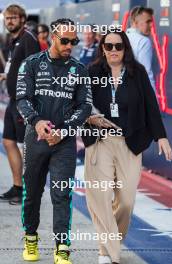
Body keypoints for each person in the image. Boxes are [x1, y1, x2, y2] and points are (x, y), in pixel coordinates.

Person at [83, 29, 172, 264]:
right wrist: (90, 117)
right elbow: (80, 102)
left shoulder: (137, 73)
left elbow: (151, 105)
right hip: (100, 141)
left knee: (126, 201)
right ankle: (108, 251)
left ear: (125, 48)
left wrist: (160, 136)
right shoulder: (92, 72)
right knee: (100, 197)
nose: (113, 50)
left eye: (118, 46)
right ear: (102, 48)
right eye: (109, 46)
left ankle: (112, 243)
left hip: (129, 143)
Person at [16, 18, 92, 263]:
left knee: (62, 194)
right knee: (32, 193)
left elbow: (84, 106)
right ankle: (30, 238)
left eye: (75, 41)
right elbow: (22, 99)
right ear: (52, 37)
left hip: (64, 142)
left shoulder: (79, 69)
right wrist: (37, 121)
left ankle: (62, 247)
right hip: (36, 139)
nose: (71, 45)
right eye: (66, 40)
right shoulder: (31, 64)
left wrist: (65, 130)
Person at [0, 4, 40, 205]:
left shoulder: (28, 40)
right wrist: (6, 76)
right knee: (8, 141)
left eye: (14, 18)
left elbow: (36, 71)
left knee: (28, 148)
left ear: (23, 19)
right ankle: (17, 187)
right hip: (13, 100)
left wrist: (29, 102)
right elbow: (15, 68)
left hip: (24, 101)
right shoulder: (13, 41)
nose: (10, 21)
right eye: (7, 18)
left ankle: (29, 192)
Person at [126, 6, 155, 89]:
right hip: (137, 93)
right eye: (148, 22)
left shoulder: (122, 37)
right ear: (135, 23)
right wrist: (153, 100)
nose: (151, 25)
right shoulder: (144, 41)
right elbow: (146, 73)